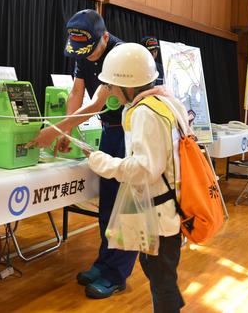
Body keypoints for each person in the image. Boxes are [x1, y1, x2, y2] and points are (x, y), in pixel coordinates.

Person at [28, 9, 136, 299]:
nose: (85, 58)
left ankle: (117, 274)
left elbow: (98, 104)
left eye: (90, 52)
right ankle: (104, 262)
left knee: (126, 205)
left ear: (104, 37)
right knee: (108, 202)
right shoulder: (82, 50)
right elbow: (76, 93)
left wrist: (57, 131)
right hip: (111, 131)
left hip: (134, 132)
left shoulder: (121, 55)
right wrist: (68, 132)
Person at [85, 42, 188, 312]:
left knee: (161, 279)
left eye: (111, 85)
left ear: (127, 84)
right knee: (161, 275)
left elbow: (144, 170)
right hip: (170, 210)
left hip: (160, 216)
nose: (109, 91)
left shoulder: (145, 112)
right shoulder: (166, 102)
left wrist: (103, 162)